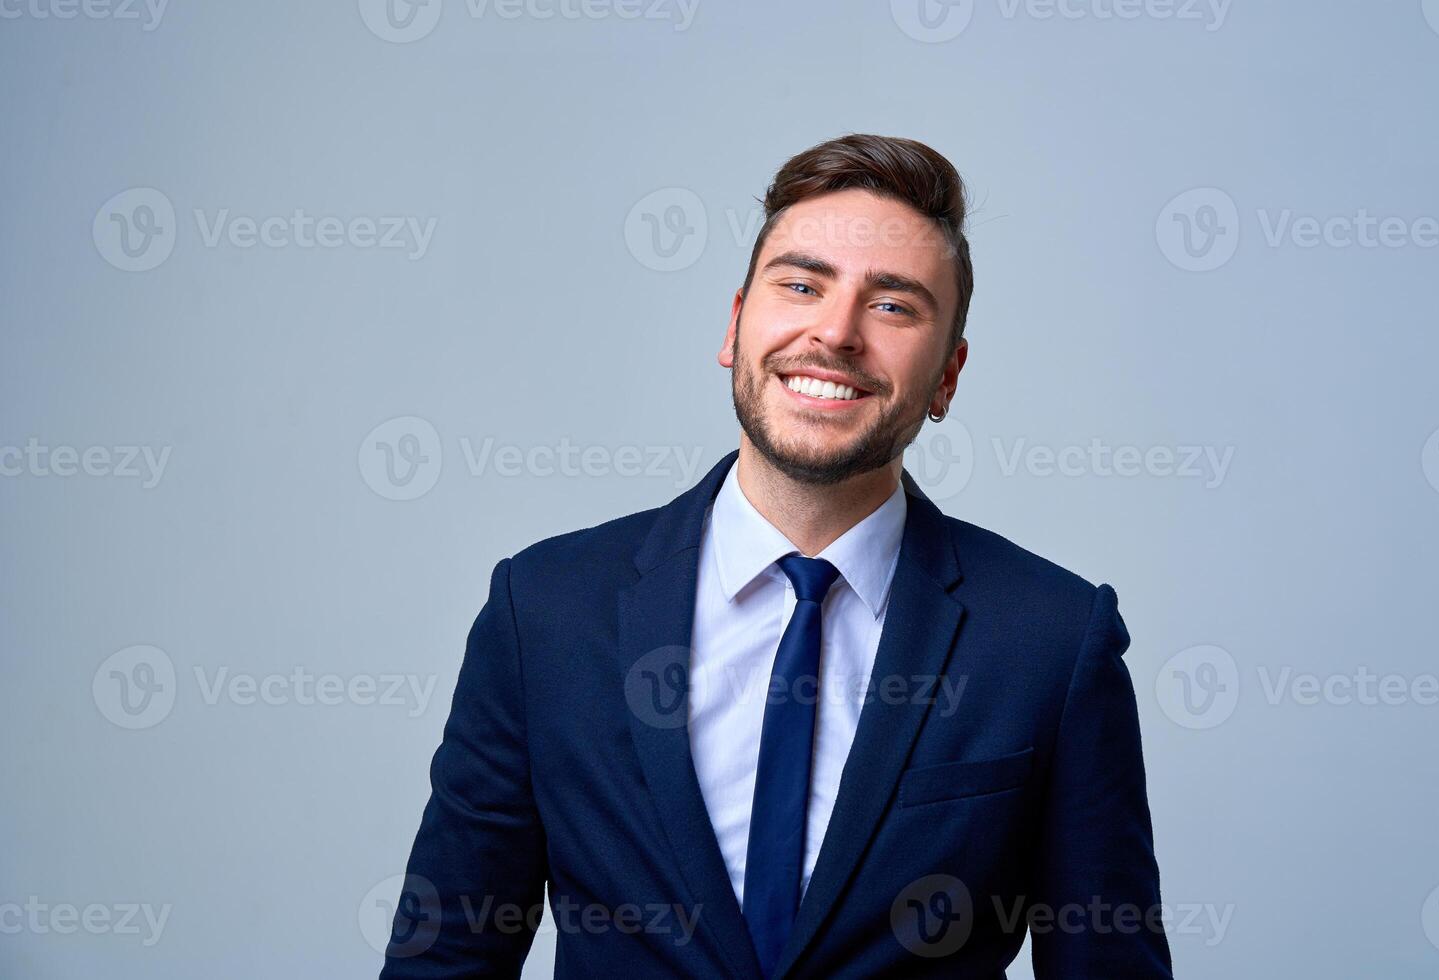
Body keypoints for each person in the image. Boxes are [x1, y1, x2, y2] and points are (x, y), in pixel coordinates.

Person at [379, 133, 1171, 979]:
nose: (834, 333)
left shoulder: (1051, 639)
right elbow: (446, 959)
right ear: (734, 324)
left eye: (894, 305)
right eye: (800, 284)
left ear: (947, 377)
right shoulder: (543, 611)